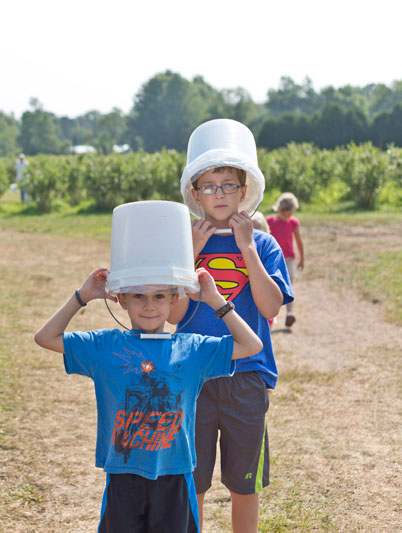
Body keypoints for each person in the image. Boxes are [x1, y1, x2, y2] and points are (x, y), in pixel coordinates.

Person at [34, 264, 263, 532]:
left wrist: (215, 299)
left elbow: (251, 345)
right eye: (138, 296)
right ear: (122, 300)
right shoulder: (106, 346)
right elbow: (45, 337)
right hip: (123, 475)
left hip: (175, 474)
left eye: (159, 297)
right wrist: (82, 296)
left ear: (174, 300)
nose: (149, 306)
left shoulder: (192, 349)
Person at [173, 119, 293, 533]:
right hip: (194, 376)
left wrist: (246, 248)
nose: (219, 194)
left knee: (245, 483)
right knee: (193, 478)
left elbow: (271, 304)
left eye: (228, 185)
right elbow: (171, 315)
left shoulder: (264, 244)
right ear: (195, 192)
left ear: (244, 191)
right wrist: (189, 254)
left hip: (247, 377)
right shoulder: (183, 243)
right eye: (209, 185)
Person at [266, 192, 305, 327]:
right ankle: (270, 315)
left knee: (289, 282)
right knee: (273, 286)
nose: (287, 217)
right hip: (272, 258)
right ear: (279, 210)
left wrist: (302, 259)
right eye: (285, 214)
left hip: (288, 258)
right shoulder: (269, 221)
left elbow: (299, 241)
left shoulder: (293, 223)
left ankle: (289, 313)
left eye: (290, 214)